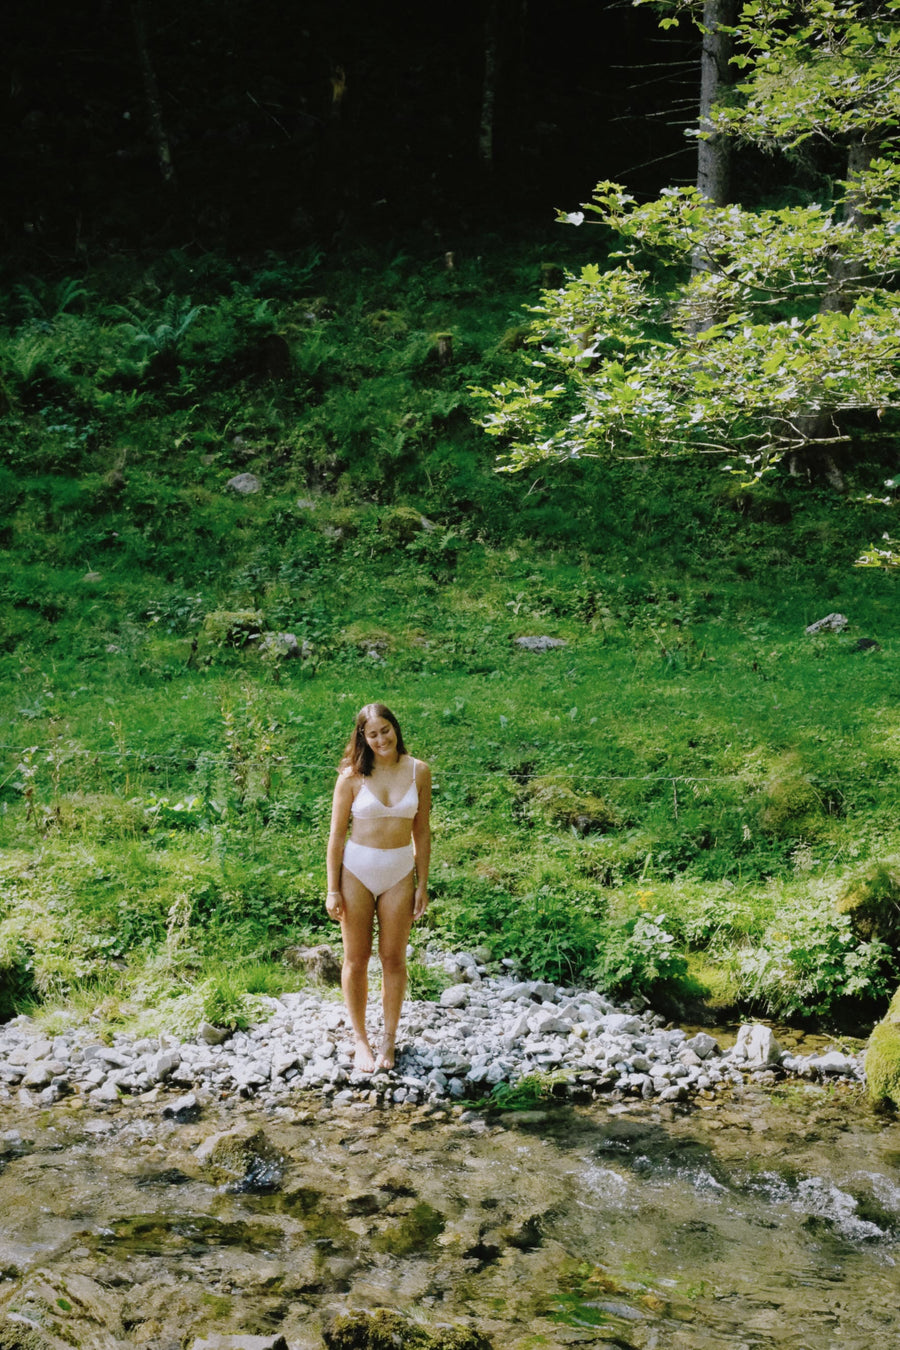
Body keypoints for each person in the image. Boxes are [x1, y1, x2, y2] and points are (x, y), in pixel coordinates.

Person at [325, 702, 431, 1073]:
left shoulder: (419, 771)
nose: (381, 739)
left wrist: (423, 882)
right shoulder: (351, 777)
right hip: (356, 870)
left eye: (385, 730)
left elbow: (421, 830)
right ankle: (360, 1041)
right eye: (372, 734)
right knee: (356, 958)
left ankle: (389, 1039)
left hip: (400, 871)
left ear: (395, 728)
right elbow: (336, 837)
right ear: (363, 738)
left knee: (393, 958)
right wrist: (332, 889)